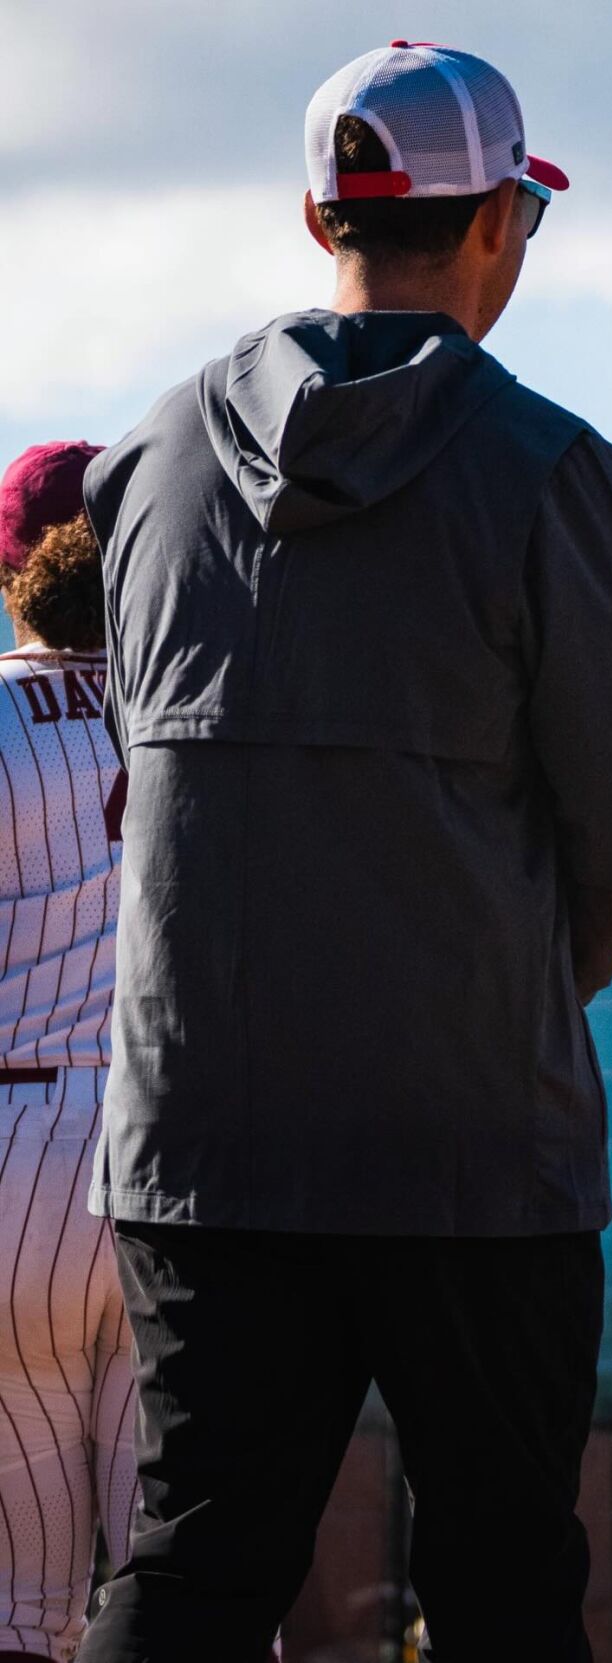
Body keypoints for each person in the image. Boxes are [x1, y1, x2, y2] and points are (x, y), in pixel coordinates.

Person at [75, 41, 612, 1663]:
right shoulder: (554, 467)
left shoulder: (144, 460)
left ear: (314, 214)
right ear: (495, 222)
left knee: (194, 1555)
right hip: (473, 1142)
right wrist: (510, 987)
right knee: (498, 1577)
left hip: (204, 1133)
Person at [0, 442, 137, 1661]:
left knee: (21, 1609)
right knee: (199, 1576)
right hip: (179, 1162)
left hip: (15, 1157)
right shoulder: (199, 697)